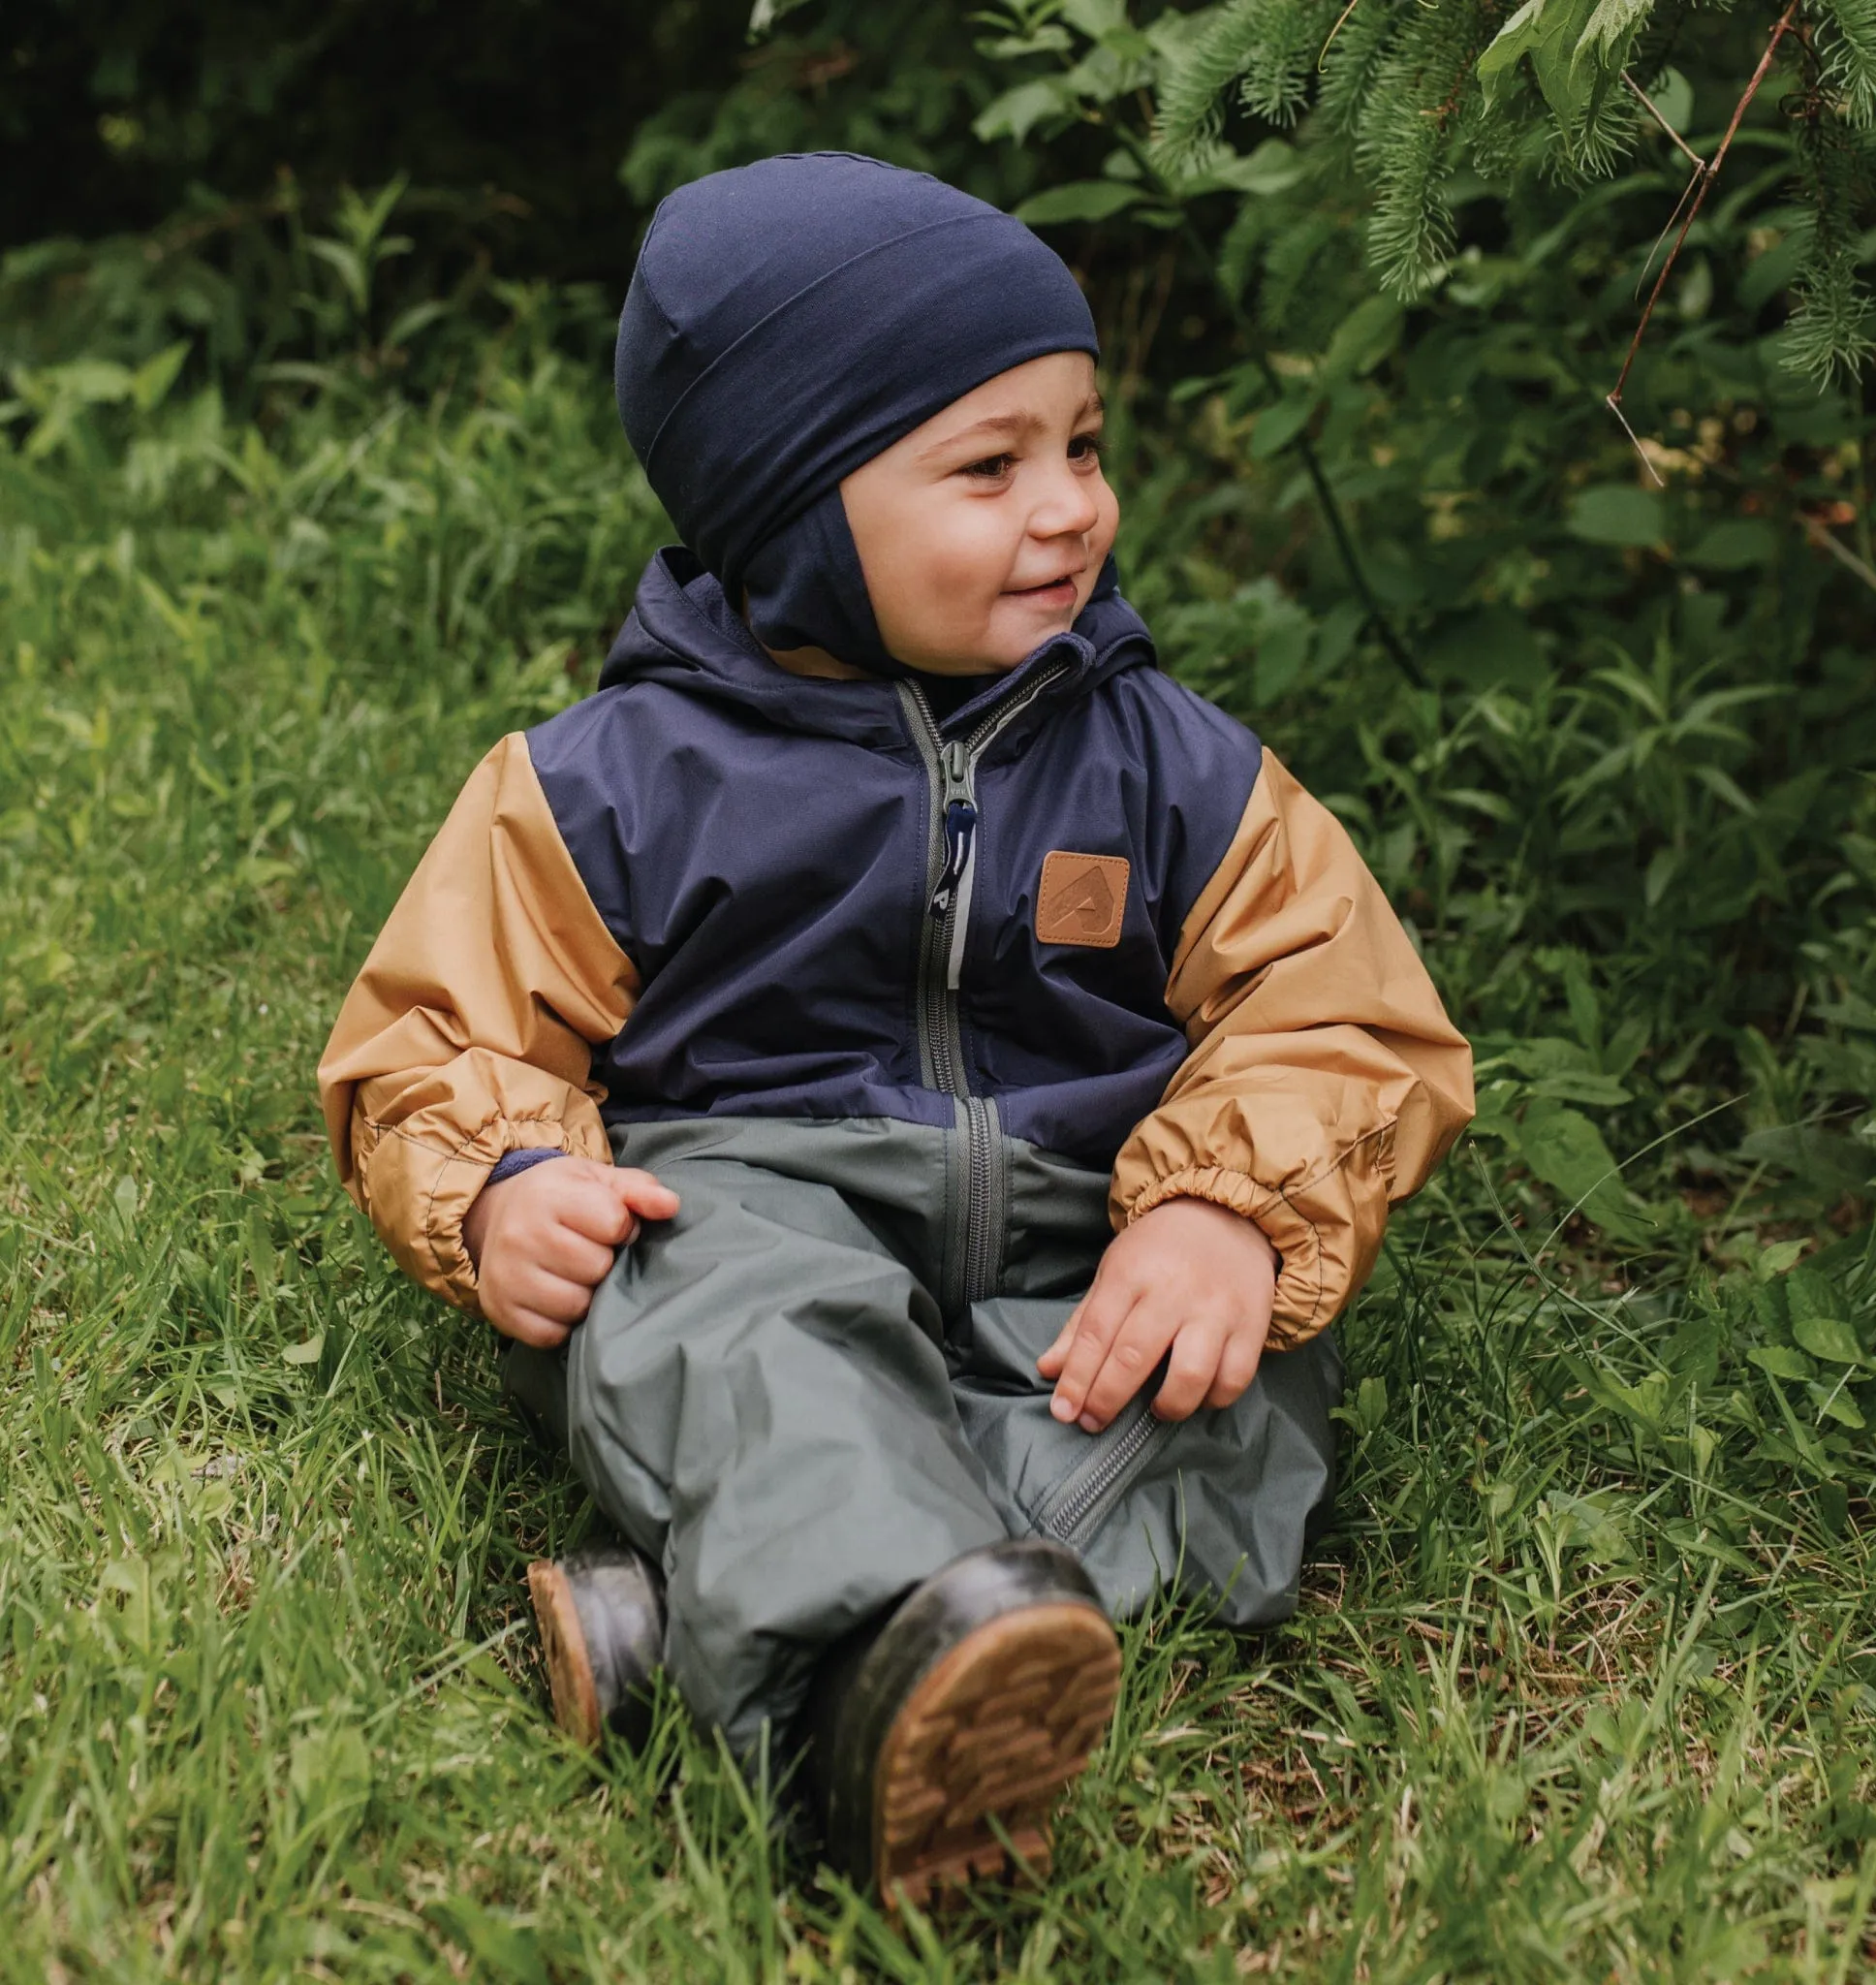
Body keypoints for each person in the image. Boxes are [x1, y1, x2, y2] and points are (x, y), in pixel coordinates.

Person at [318, 151, 1474, 1903]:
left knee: (1222, 1403)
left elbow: (1336, 1003)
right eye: (989, 465)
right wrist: (496, 1186)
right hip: (757, 1204)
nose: (1071, 505)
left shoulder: (1168, 763)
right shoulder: (613, 785)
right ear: (794, 509)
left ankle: (754, 1639)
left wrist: (1226, 1207)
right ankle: (872, 1649)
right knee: (718, 1325)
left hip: (1092, 1231)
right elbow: (436, 1034)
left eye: (1082, 444)